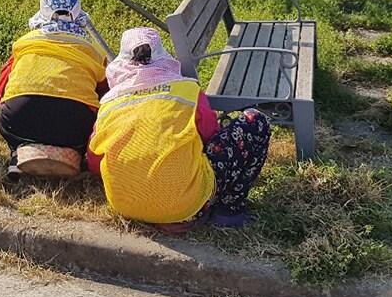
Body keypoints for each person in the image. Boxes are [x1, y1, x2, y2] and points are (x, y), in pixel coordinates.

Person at [87, 27, 270, 229]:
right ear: (162, 55)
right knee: (256, 121)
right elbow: (210, 137)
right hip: (188, 205)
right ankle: (229, 211)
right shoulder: (187, 91)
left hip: (125, 207)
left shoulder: (109, 106)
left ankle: (156, 206)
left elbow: (95, 163)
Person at [0, 0, 109, 180]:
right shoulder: (94, 49)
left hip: (18, 119)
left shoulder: (24, 43)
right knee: (86, 126)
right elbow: (105, 92)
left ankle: (17, 152)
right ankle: (75, 153)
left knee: (10, 123)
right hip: (74, 127)